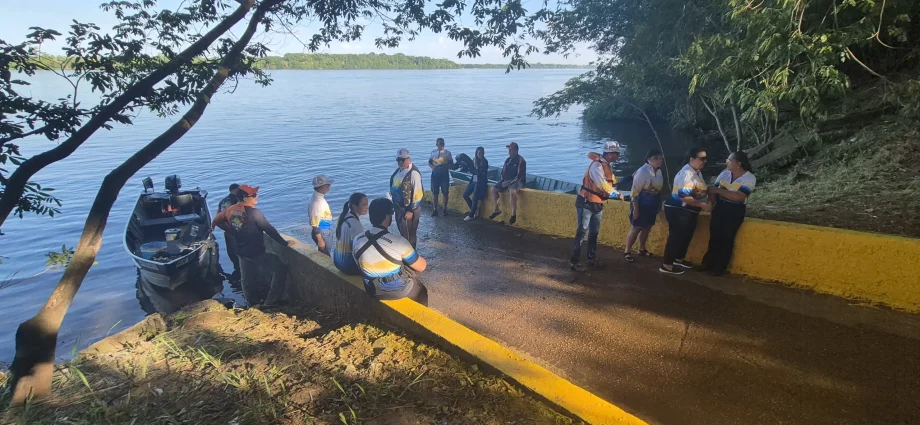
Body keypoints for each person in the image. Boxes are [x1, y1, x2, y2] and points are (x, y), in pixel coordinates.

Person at [211, 185, 296, 306]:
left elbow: (217, 219)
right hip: (255, 251)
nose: (257, 197)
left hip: (240, 250)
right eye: (254, 195)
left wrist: (223, 228)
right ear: (245, 197)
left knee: (247, 279)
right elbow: (269, 229)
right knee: (280, 269)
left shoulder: (230, 210)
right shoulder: (255, 213)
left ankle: (252, 303)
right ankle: (271, 301)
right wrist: (285, 243)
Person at [352, 198, 429, 305]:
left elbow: (357, 262)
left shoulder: (357, 239)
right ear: (388, 217)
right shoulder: (399, 242)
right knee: (422, 292)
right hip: (397, 291)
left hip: (371, 289)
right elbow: (421, 267)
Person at [569, 140, 625, 271]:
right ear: (610, 154)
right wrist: (617, 195)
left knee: (594, 232)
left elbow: (610, 183)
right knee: (582, 232)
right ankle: (574, 262)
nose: (619, 156)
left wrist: (626, 180)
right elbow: (603, 185)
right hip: (586, 203)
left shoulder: (606, 166)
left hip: (598, 203)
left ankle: (591, 259)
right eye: (617, 154)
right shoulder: (597, 166)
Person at [700, 151, 756, 275]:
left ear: (738, 163)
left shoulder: (749, 178)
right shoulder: (724, 174)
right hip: (720, 207)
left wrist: (719, 191)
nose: (727, 162)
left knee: (727, 237)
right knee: (715, 236)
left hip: (734, 210)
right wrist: (715, 200)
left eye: (730, 160)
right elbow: (713, 192)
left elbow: (739, 197)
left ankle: (719, 267)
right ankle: (708, 263)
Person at [659, 148, 712, 275]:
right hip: (679, 209)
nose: (704, 161)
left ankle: (678, 259)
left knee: (686, 234)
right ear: (692, 159)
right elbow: (684, 196)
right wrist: (702, 204)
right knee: (676, 236)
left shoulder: (696, 172)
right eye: (701, 158)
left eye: (705, 158)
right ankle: (667, 265)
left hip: (689, 209)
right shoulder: (687, 174)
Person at [624, 149, 665, 262]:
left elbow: (659, 189)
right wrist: (636, 209)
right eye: (655, 158)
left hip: (652, 204)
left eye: (660, 158)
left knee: (647, 227)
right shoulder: (642, 172)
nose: (659, 160)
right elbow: (635, 192)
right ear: (648, 159)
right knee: (636, 228)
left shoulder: (659, 171)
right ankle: (627, 250)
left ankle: (642, 248)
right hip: (641, 204)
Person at [389, 148, 424, 247]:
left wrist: (411, 211)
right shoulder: (399, 171)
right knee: (403, 234)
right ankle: (406, 254)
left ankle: (411, 256)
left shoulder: (413, 173)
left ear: (409, 159)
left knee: (409, 235)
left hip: (408, 210)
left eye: (402, 160)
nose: (400, 162)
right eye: (398, 160)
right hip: (399, 208)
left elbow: (418, 194)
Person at [489, 142, 526, 225]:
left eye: (511, 150)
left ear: (516, 150)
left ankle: (513, 215)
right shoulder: (508, 160)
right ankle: (496, 209)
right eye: (509, 150)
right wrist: (503, 180)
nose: (509, 152)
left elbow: (519, 176)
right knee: (493, 189)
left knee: (512, 191)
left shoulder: (521, 160)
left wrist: (509, 183)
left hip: (518, 181)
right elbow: (503, 172)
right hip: (507, 181)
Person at [333, 192, 368, 275]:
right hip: (348, 266)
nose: (367, 207)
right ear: (355, 207)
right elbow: (359, 249)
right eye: (364, 204)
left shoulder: (344, 217)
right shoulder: (355, 224)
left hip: (337, 261)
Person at [217, 183, 245, 280]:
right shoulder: (237, 201)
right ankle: (242, 279)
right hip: (238, 233)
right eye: (239, 189)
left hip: (228, 233)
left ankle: (237, 277)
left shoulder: (222, 202)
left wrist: (227, 230)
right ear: (235, 189)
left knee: (233, 257)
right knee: (242, 257)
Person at [308, 175, 335, 255]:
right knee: (326, 254)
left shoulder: (315, 197)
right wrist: (320, 240)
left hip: (324, 229)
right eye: (327, 185)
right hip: (323, 231)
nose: (329, 186)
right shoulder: (317, 202)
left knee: (323, 253)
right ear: (321, 187)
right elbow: (314, 222)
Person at [428, 137, 454, 217]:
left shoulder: (448, 153)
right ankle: (435, 209)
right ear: (437, 144)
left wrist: (444, 168)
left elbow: (451, 164)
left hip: (444, 174)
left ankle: (444, 210)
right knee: (435, 193)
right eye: (440, 143)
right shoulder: (433, 153)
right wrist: (434, 168)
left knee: (445, 192)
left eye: (443, 143)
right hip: (435, 174)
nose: (442, 145)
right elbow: (429, 163)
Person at [463, 146, 489, 221]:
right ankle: (473, 210)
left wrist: (472, 169)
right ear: (476, 153)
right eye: (479, 153)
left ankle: (471, 214)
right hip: (473, 180)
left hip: (481, 182)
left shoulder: (485, 162)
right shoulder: (474, 160)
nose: (481, 154)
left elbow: (479, 173)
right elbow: (472, 170)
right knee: (465, 195)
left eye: (482, 153)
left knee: (475, 197)